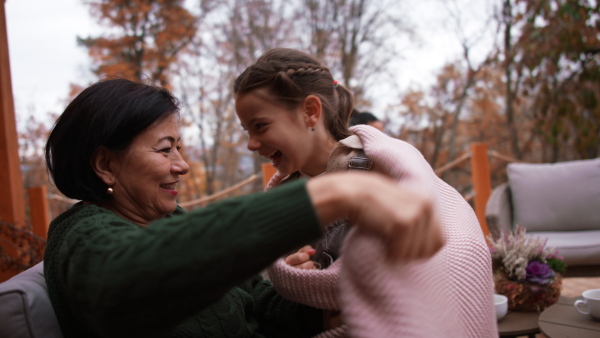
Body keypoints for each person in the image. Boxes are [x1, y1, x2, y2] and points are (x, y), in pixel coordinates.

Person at [42, 78, 443, 338]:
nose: (181, 165)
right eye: (165, 150)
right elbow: (119, 285)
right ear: (105, 164)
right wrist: (328, 196)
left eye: (179, 148)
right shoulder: (80, 234)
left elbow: (256, 306)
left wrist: (313, 312)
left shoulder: (173, 221)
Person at [234, 48, 497, 337]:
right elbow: (289, 295)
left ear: (310, 111)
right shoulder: (284, 196)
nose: (251, 144)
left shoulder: (379, 164)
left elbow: (445, 240)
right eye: (247, 130)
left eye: (260, 126)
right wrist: (297, 271)